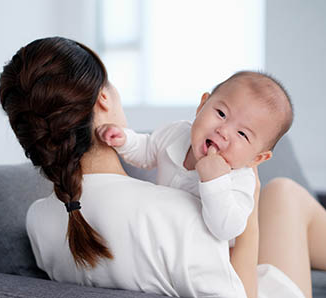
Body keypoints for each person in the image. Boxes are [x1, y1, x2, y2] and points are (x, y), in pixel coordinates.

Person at [0, 36, 326, 298]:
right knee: (284, 194)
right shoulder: (180, 217)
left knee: (283, 196)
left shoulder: (39, 222)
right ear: (103, 99)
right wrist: (251, 214)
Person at [96, 71, 292, 249]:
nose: (223, 131)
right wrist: (124, 139)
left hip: (210, 261)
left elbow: (227, 230)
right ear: (202, 105)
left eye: (242, 134)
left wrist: (215, 182)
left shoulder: (239, 180)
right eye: (221, 114)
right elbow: (147, 151)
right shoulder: (176, 133)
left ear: (257, 158)